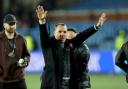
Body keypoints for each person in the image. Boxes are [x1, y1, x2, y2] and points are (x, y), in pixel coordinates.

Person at [36, 5, 106, 89]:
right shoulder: (48, 44)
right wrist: (42, 21)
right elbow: (43, 34)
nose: (62, 34)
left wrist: (97, 26)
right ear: (54, 33)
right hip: (52, 84)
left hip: (68, 84)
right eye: (60, 31)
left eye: (64, 32)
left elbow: (82, 35)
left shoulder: (68, 43)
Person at [0, 14, 30, 89]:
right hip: (3, 81)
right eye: (10, 24)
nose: (12, 26)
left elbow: (26, 55)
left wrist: (25, 62)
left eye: (14, 23)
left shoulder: (21, 39)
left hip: (19, 80)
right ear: (4, 25)